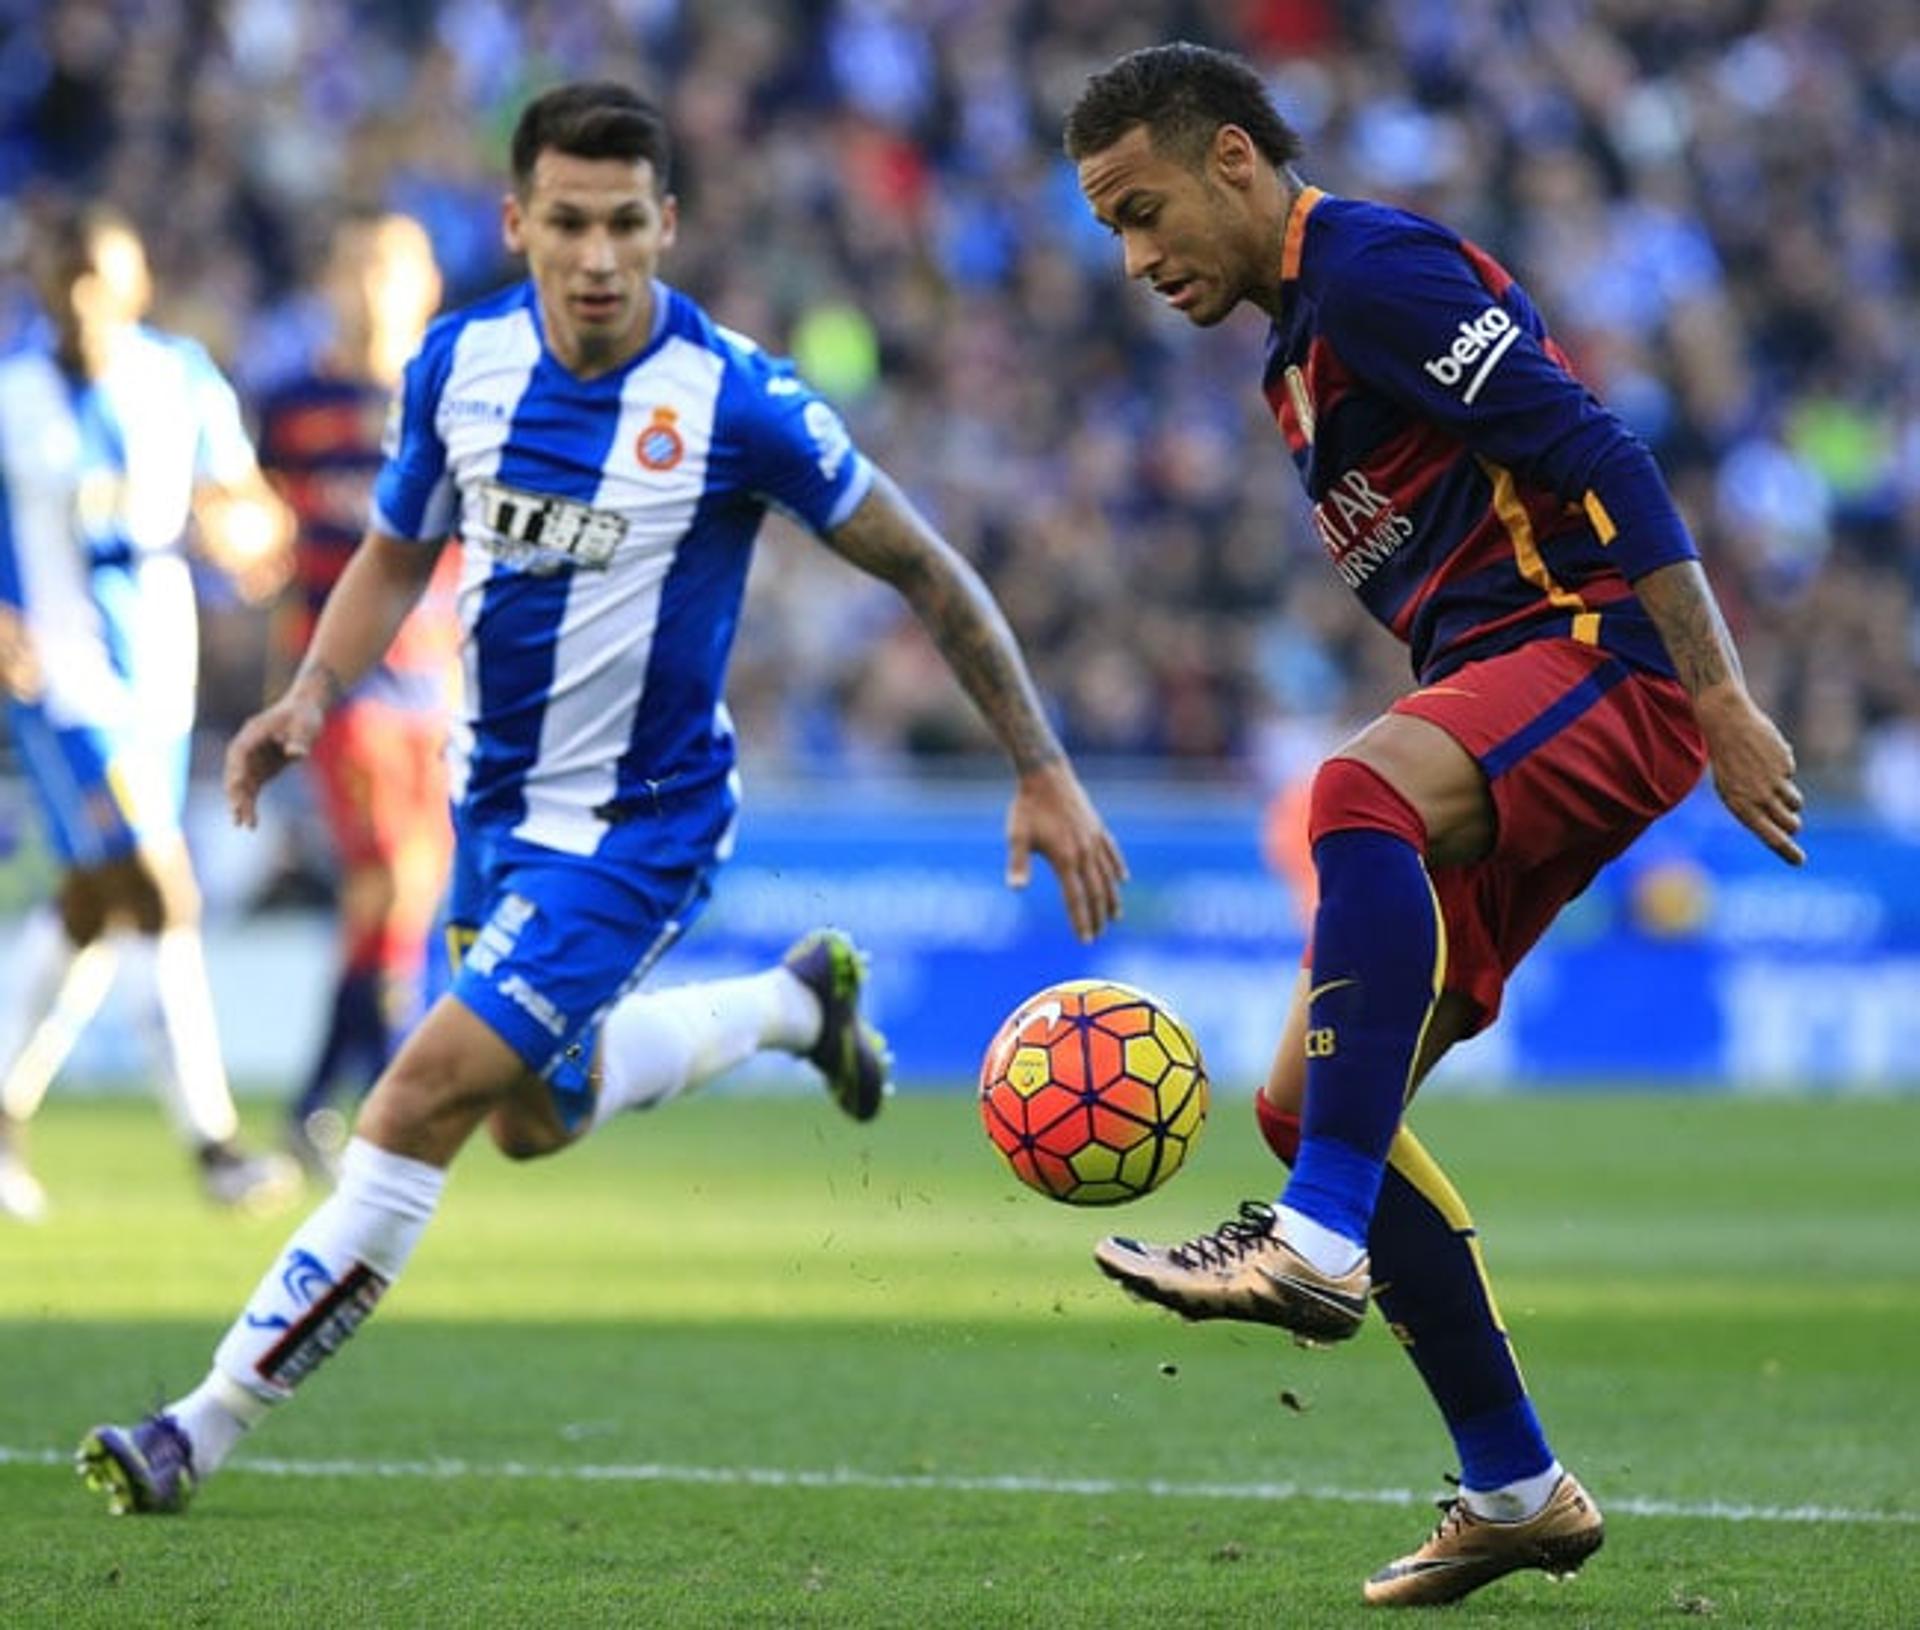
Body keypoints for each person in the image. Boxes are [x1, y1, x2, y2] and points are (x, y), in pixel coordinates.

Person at [77, 80, 1126, 1515]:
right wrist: (312, 693)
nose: (596, 255)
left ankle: (197, 1424)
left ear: (667, 225)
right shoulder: (457, 364)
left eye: (626, 223)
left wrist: (1043, 763)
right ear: (516, 223)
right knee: (531, 1120)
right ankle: (791, 1005)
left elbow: (925, 566)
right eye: (566, 222)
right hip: (495, 814)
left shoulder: (738, 399)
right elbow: (394, 549)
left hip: (644, 829)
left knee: (421, 1096)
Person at [1062, 44, 1803, 1609]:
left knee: (1352, 793)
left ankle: (1317, 1242)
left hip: (1610, 664)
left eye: (1145, 213)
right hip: (1523, 690)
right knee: (1306, 1097)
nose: (1135, 262)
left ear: (1238, 163)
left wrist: (1720, 694)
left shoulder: (1377, 270)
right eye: (1111, 234)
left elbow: (1596, 448)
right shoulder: (1292, 363)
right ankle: (1518, 1483)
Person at [0, 202, 302, 1222]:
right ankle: (213, 1144)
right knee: (161, 889)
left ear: (135, 285)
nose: (79, 301)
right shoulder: (11, 394)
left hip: (158, 690)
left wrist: (246, 535)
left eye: (97, 280)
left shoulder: (180, 378)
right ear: (37, 285)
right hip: (58, 687)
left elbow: (251, 509)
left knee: (93, 904)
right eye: (61, 279)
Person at [255, 211, 460, 1177]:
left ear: (424, 288)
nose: (374, 288)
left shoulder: (456, 403)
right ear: (332, 283)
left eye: (393, 271)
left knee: (391, 901)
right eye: (358, 268)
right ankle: (390, 1111)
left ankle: (312, 1106)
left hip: (437, 687)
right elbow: (254, 533)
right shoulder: (292, 406)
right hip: (339, 683)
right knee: (395, 874)